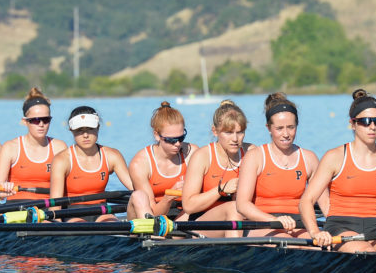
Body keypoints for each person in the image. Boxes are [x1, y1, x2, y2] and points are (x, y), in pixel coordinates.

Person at [300, 88, 376, 252]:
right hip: (340, 228)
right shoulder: (334, 157)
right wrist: (315, 232)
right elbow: (306, 201)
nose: (372, 127)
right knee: (366, 251)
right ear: (352, 124)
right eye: (365, 121)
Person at [236, 93, 324, 237]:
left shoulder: (309, 158)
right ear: (269, 128)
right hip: (263, 223)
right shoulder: (255, 157)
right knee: (287, 242)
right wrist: (275, 220)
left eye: (291, 127)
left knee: (313, 247)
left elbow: (325, 203)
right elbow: (242, 205)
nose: (286, 134)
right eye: (279, 128)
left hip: (298, 223)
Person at [49, 106, 133, 221]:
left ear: (98, 128)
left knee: (110, 223)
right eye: (79, 130)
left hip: (102, 212)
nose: (85, 135)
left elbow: (134, 188)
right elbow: (55, 205)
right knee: (78, 226)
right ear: (71, 130)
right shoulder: (62, 160)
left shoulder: (112, 156)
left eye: (90, 129)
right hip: (72, 213)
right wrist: (56, 227)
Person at [181, 99, 252, 236]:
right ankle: (238, 255)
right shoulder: (202, 157)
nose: (235, 139)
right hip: (203, 221)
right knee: (234, 209)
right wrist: (221, 190)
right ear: (215, 131)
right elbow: (188, 206)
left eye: (240, 132)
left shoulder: (251, 152)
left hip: (242, 218)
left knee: (236, 209)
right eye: (229, 132)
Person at [0, 88, 67, 203]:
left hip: (48, 209)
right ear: (25, 121)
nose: (41, 124)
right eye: (35, 120)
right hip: (17, 210)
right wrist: (0, 193)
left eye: (46, 120)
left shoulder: (60, 147)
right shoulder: (11, 148)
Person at [126, 102, 199, 219]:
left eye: (181, 138)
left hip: (184, 214)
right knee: (138, 195)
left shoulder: (192, 153)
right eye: (171, 140)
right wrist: (168, 197)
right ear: (157, 135)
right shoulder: (140, 163)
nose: (178, 144)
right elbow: (153, 213)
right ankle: (154, 236)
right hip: (151, 215)